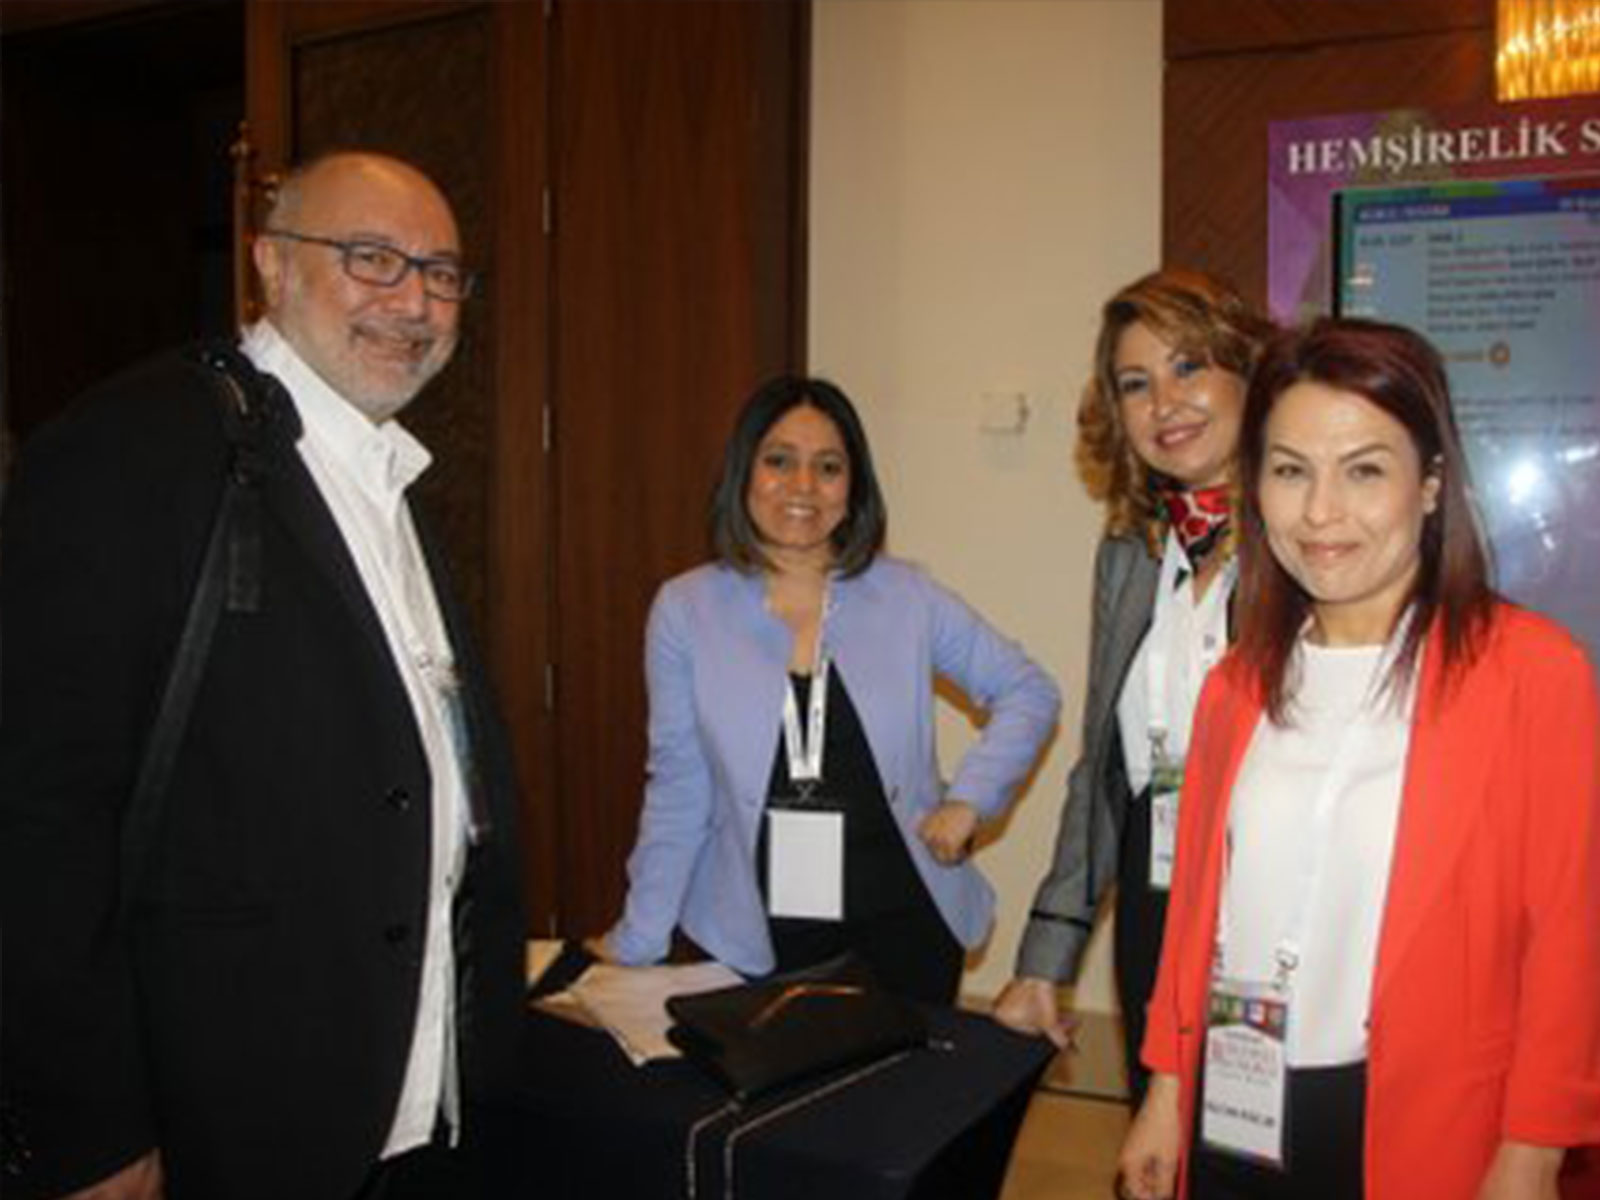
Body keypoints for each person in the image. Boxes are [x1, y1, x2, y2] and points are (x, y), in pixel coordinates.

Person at [0, 152, 527, 1200]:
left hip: (404, 1098)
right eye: (371, 258)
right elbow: (36, 811)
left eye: (441, 273)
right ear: (271, 264)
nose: (414, 301)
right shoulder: (131, 449)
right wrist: (90, 1126)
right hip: (220, 1114)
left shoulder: (389, 483)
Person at [1117, 317, 1600, 1200]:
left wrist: (1534, 1146)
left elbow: (1571, 936)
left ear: (1431, 484)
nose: (1320, 512)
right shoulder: (1235, 687)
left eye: (1365, 470)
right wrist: (1166, 1086)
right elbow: (1196, 913)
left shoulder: (1531, 674)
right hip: (1235, 1099)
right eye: (1290, 470)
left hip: (1418, 1116)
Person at [596, 376, 1059, 1004]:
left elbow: (1028, 691)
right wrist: (639, 939)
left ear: (854, 486)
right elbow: (678, 788)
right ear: (744, 472)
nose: (803, 486)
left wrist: (971, 799)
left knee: (910, 1073)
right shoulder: (685, 610)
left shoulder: (908, 596)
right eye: (779, 461)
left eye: (829, 467)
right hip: (753, 941)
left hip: (906, 929)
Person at [994, 270, 1273, 1103]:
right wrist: (1046, 958)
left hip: (1270, 899)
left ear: (1248, 371)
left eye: (1189, 366)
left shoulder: (1307, 540)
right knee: (1156, 1134)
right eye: (1135, 383)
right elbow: (1102, 767)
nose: (1166, 403)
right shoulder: (1130, 553)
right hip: (1155, 888)